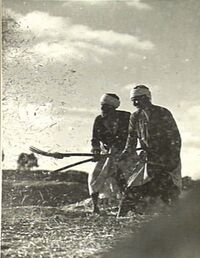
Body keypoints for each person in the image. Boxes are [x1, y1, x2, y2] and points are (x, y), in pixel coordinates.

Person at [118, 85, 182, 216]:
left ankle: (180, 218)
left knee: (168, 189)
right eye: (133, 100)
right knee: (131, 188)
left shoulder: (163, 112)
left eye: (138, 99)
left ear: (147, 98)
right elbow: (131, 138)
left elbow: (175, 137)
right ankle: (121, 218)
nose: (135, 103)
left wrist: (173, 159)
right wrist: (125, 153)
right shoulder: (135, 117)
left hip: (166, 158)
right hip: (148, 159)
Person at [88, 93, 131, 214]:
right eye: (102, 106)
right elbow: (95, 139)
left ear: (113, 108)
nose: (103, 109)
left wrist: (122, 150)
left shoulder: (126, 118)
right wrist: (96, 151)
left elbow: (132, 135)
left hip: (124, 152)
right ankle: (95, 207)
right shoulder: (99, 119)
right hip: (105, 152)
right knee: (95, 176)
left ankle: (125, 206)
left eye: (106, 107)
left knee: (126, 178)